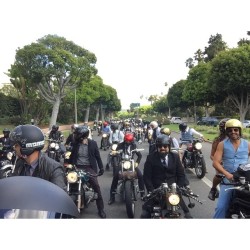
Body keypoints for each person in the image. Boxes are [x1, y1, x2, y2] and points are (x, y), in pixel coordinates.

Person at [7, 124, 67, 218]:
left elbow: (60, 200)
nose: (14, 148)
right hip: (22, 212)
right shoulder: (20, 163)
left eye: (17, 145)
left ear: (27, 147)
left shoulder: (53, 169)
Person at [141, 134, 193, 218]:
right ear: (157, 147)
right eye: (160, 146)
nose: (162, 148)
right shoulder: (150, 158)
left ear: (169, 147)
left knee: (187, 214)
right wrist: (151, 191)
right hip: (156, 191)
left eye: (165, 146)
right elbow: (146, 177)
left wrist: (178, 187)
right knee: (145, 214)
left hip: (173, 191)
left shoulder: (175, 157)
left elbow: (181, 175)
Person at [213, 119, 250, 218]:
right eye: (230, 130)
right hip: (228, 181)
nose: (233, 132)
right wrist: (227, 174)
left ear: (240, 131)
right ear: (227, 132)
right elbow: (215, 162)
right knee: (221, 207)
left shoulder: (247, 144)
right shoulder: (222, 144)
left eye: (235, 130)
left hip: (244, 181)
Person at [69, 125, 106, 218]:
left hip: (89, 167)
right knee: (69, 183)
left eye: (77, 134)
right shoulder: (75, 143)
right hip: (77, 168)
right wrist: (68, 165)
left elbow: (97, 157)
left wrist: (101, 168)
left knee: (96, 186)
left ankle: (101, 209)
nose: (75, 136)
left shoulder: (92, 143)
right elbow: (71, 156)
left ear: (82, 135)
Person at [108, 132, 145, 205]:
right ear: (124, 140)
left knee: (140, 175)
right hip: (122, 162)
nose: (128, 142)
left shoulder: (134, 146)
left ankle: (142, 193)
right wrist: (114, 153)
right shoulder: (120, 145)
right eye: (126, 140)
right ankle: (112, 197)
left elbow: (139, 155)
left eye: (129, 141)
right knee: (115, 177)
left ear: (131, 141)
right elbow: (115, 152)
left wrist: (137, 163)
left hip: (131, 163)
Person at [208, 118, 229, 201]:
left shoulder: (240, 141)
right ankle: (213, 189)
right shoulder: (217, 141)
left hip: (234, 163)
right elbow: (212, 155)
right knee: (220, 175)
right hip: (221, 164)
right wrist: (218, 162)